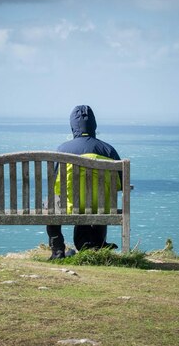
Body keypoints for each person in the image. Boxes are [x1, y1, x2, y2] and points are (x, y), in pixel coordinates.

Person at [47, 105, 121, 259]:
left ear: (72, 126)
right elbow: (121, 183)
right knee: (100, 202)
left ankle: (58, 250)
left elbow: (54, 184)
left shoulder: (62, 150)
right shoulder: (108, 150)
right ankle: (99, 244)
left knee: (49, 204)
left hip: (72, 205)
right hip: (102, 206)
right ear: (94, 124)